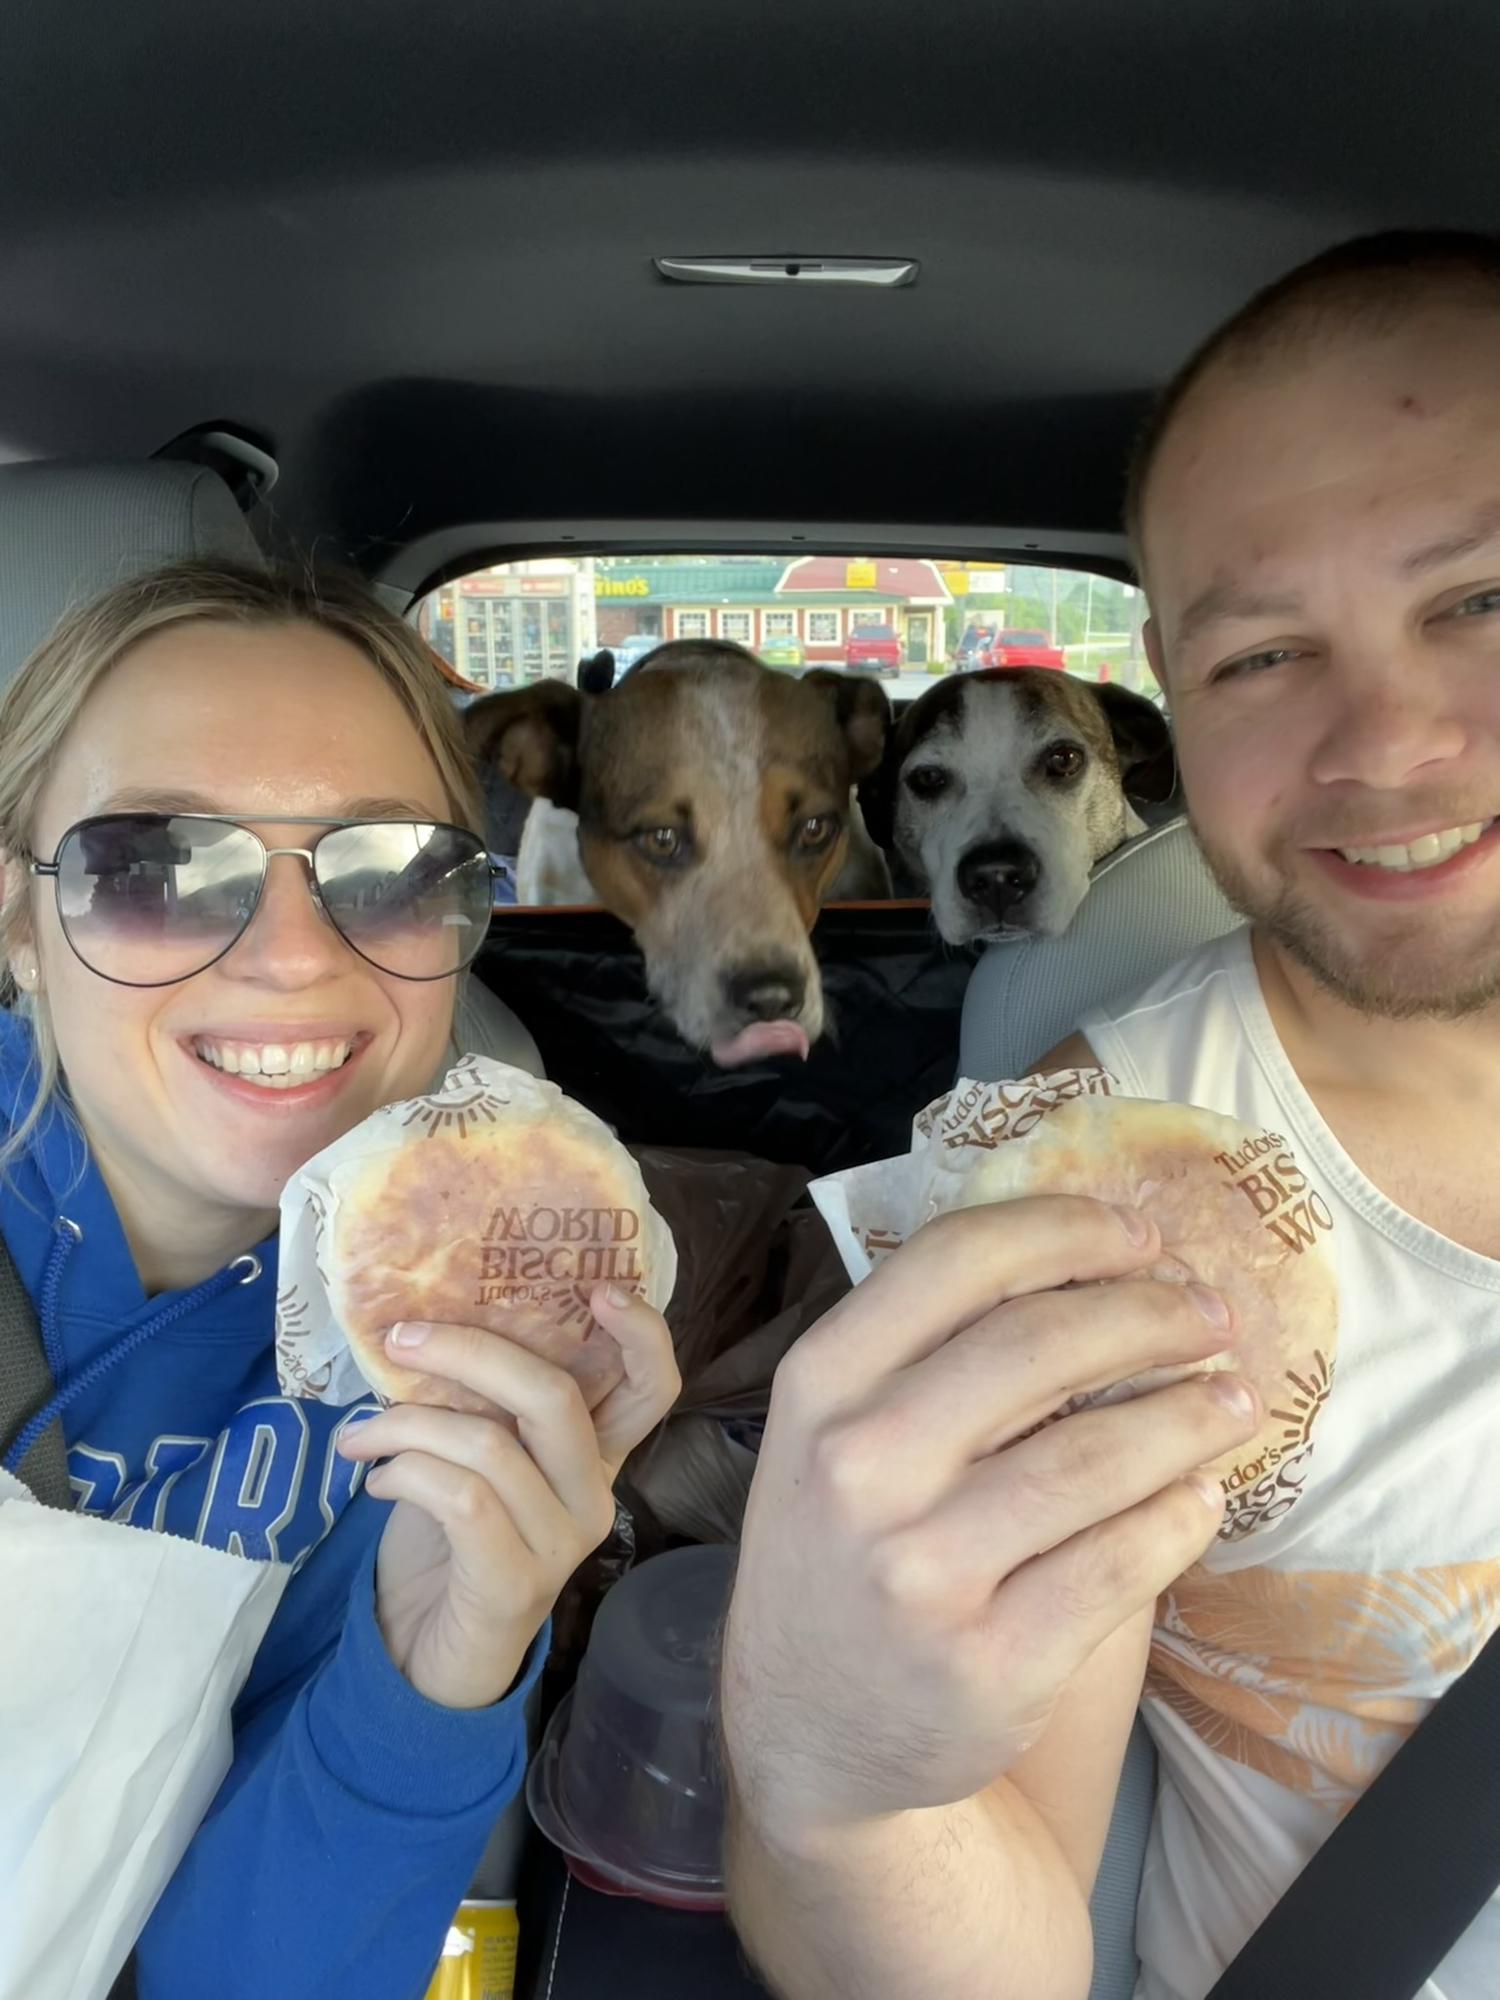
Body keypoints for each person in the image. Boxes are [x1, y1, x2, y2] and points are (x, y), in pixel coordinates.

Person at [720, 228, 1500, 1999]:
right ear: (1176, 698)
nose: (1387, 744)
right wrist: (836, 1791)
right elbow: (970, 1922)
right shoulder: (1081, 1189)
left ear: (1112, 770)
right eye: (1263, 657)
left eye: (1482, 599)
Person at [0, 559, 680, 1996]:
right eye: (157, 866)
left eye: (388, 869)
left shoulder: (448, 1346)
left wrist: (443, 1652)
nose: (299, 958)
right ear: (17, 922)